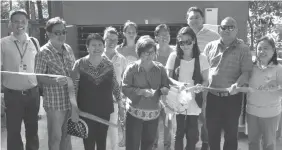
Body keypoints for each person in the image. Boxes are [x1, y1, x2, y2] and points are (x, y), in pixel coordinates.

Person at [203, 17, 253, 150]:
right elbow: (203, 69)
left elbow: (246, 73)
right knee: (212, 133)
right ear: (220, 29)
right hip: (212, 97)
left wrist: (237, 84)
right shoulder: (210, 46)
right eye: (224, 27)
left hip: (232, 98)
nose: (227, 30)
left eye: (231, 27)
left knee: (231, 135)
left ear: (237, 30)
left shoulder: (243, 49)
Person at [70, 33, 122, 150]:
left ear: (104, 47)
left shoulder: (108, 64)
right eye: (93, 45)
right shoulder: (79, 64)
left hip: (104, 111)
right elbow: (73, 88)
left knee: (102, 141)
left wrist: (120, 103)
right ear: (87, 47)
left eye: (100, 45)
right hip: (85, 111)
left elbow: (115, 85)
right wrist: (74, 109)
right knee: (88, 143)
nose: (97, 48)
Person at [1, 9, 40, 150]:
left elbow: (39, 68)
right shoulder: (3, 44)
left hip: (33, 94)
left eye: (23, 21)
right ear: (10, 24)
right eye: (16, 21)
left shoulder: (34, 42)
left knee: (33, 132)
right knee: (13, 133)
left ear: (27, 23)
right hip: (12, 96)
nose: (20, 24)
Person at [122, 35, 170, 150]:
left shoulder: (161, 69)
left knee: (148, 145)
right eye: (145, 53)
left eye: (151, 52)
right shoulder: (131, 68)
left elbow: (166, 86)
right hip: (134, 114)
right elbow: (124, 88)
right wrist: (140, 92)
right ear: (139, 53)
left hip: (153, 115)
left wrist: (165, 90)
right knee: (132, 146)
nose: (149, 55)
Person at [34, 17, 75, 150]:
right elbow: (39, 77)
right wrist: (56, 81)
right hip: (54, 104)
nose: (62, 35)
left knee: (67, 136)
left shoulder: (68, 48)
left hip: (70, 101)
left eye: (64, 32)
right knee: (55, 137)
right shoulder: (43, 52)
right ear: (49, 34)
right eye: (58, 32)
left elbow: (74, 71)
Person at [166, 26, 209, 150]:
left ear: (194, 41)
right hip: (177, 99)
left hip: (194, 101)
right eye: (181, 42)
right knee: (179, 133)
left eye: (188, 42)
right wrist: (178, 85)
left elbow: (206, 80)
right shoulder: (173, 57)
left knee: (192, 134)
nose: (185, 45)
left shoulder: (202, 58)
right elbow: (168, 78)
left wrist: (201, 86)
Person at [186, 7, 220, 150]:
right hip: (188, 79)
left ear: (203, 19)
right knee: (189, 111)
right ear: (187, 20)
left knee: (205, 113)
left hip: (205, 79)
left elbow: (220, 53)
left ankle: (206, 142)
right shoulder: (184, 34)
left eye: (197, 17)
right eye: (191, 18)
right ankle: (192, 141)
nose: (194, 20)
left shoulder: (213, 35)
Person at [246, 36, 282, 150]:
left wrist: (276, 86)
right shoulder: (251, 67)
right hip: (252, 111)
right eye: (259, 48)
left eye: (266, 48)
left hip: (270, 113)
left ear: (273, 50)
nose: (262, 51)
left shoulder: (278, 68)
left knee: (269, 144)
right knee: (252, 143)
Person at [102, 26, 127, 150]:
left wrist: (122, 102)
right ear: (104, 39)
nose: (112, 42)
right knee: (100, 132)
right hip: (98, 102)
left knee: (113, 131)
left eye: (115, 40)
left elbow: (125, 82)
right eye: (109, 39)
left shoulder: (122, 60)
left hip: (115, 102)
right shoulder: (96, 57)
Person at [116, 20, 139, 147]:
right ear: (124, 33)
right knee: (121, 114)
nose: (131, 34)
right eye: (128, 32)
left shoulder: (139, 49)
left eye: (133, 32)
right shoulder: (118, 49)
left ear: (136, 34)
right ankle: (124, 137)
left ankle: (134, 139)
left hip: (136, 87)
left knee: (134, 115)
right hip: (121, 87)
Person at [153, 24, 175, 150]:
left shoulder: (175, 51)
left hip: (170, 93)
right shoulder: (152, 51)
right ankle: (154, 145)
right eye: (161, 35)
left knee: (168, 122)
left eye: (166, 35)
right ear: (156, 37)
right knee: (154, 121)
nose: (164, 37)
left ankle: (167, 146)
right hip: (154, 92)